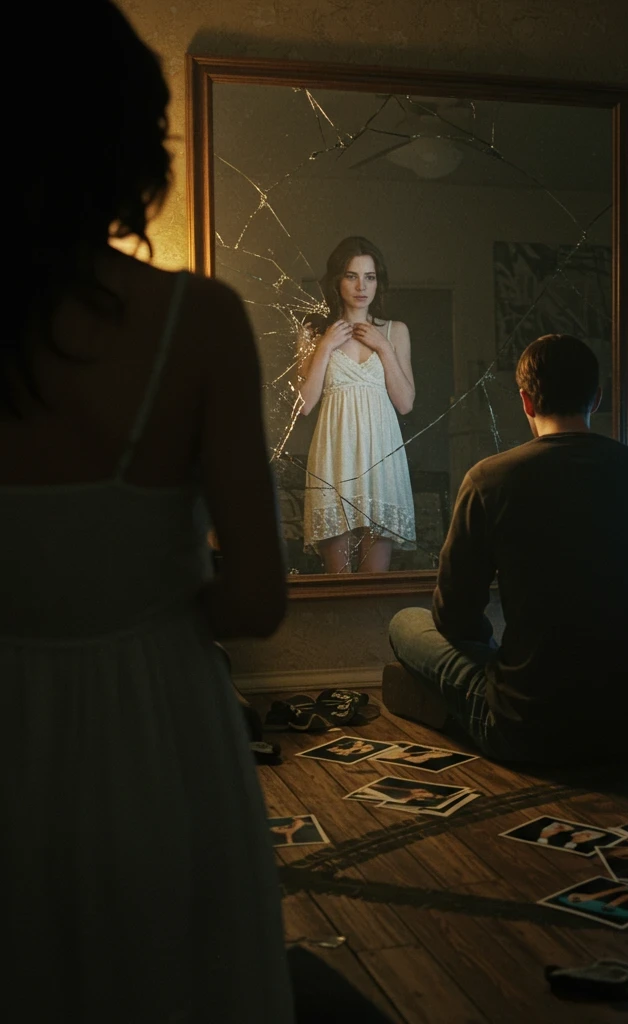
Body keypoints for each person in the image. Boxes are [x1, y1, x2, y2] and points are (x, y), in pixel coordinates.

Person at [0, 4, 294, 1019]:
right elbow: (257, 598)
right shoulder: (198, 324)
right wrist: (137, 605)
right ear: (130, 138)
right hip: (152, 732)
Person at [385, 333, 628, 765]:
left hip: (531, 731)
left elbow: (454, 617)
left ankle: (499, 694)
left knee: (406, 622)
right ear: (597, 398)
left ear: (526, 401)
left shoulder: (489, 479)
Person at [297, 236, 416, 574]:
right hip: (336, 454)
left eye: (370, 277)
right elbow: (304, 405)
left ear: (379, 281)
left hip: (381, 455)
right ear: (337, 280)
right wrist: (325, 346)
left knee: (374, 582)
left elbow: (405, 403)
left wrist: (384, 347)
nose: (362, 286)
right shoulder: (313, 331)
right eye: (352, 276)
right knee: (337, 581)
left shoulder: (395, 331)